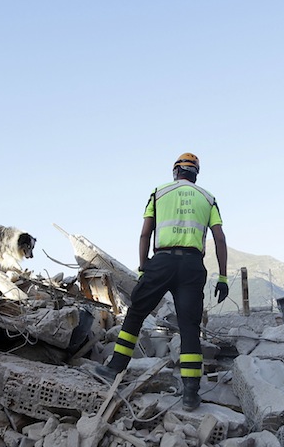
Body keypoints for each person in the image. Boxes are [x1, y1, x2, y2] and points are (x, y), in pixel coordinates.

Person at [96, 152, 228, 411]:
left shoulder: (158, 193)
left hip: (162, 261)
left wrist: (144, 266)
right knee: (190, 327)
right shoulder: (208, 199)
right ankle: (191, 393)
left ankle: (114, 369)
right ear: (195, 174)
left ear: (175, 172)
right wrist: (222, 276)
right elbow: (220, 239)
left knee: (136, 314)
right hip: (192, 265)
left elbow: (146, 232)